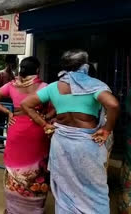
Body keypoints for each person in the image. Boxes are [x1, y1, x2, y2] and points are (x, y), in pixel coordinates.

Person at [21, 50, 120, 214]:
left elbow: (26, 104)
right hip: (87, 144)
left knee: (65, 187)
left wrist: (44, 124)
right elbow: (114, 105)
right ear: (85, 65)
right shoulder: (95, 86)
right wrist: (106, 129)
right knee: (94, 187)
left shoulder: (53, 86)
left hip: (61, 144)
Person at [0, 57, 52, 214]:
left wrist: (9, 112)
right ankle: (35, 209)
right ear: (37, 70)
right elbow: (57, 107)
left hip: (16, 128)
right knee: (36, 169)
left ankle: (13, 209)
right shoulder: (45, 87)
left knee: (15, 169)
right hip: (36, 130)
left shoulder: (11, 85)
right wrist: (45, 118)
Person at [0, 55, 17, 145]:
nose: (11, 65)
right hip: (2, 101)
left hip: (11, 102)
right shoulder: (0, 74)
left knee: (11, 121)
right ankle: (0, 140)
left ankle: (9, 139)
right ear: (7, 63)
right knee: (1, 121)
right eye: (10, 63)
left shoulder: (13, 75)